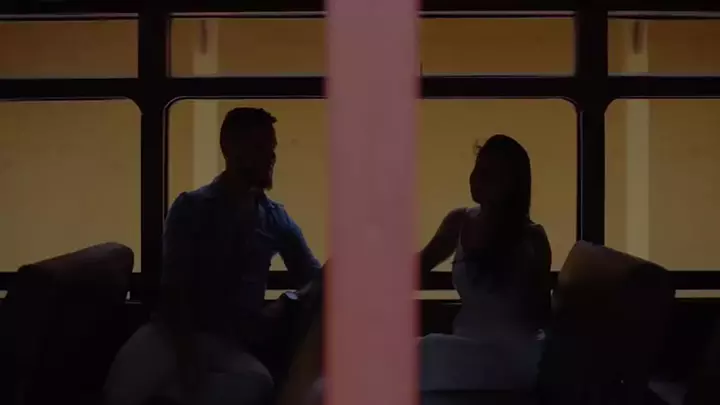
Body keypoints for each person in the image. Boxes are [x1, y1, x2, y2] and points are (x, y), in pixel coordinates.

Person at [104, 108, 323, 405]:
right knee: (122, 390)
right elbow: (174, 290)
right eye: (260, 147)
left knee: (257, 384)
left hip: (227, 345)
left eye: (272, 148)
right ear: (230, 149)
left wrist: (289, 299)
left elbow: (313, 277)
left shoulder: (275, 219)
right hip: (168, 336)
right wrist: (187, 357)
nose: (271, 157)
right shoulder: (191, 208)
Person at [418, 134, 552, 392]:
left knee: (425, 352)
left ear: (511, 185)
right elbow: (419, 265)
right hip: (467, 347)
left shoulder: (531, 238)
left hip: (512, 356)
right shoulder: (459, 222)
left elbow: (540, 311)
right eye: (478, 168)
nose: (477, 178)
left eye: (490, 173)